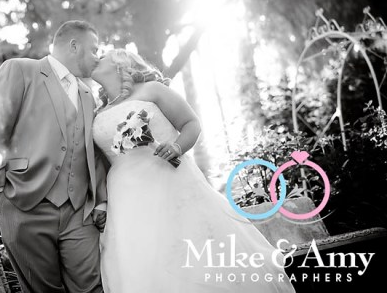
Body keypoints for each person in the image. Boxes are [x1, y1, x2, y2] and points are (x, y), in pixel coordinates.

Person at [91, 49, 296, 293]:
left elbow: (191, 123)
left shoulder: (152, 90)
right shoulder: (98, 113)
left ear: (119, 64)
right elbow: (102, 163)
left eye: (102, 56)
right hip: (126, 199)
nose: (96, 58)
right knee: (142, 259)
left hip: (169, 182)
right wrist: (103, 202)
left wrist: (177, 147)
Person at [0, 20, 108, 293]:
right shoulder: (20, 70)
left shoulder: (87, 95)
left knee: (94, 287)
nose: (98, 57)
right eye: (94, 49)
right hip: (24, 202)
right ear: (74, 46)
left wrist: (100, 200)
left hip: (78, 211)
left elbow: (91, 150)